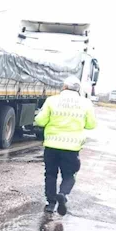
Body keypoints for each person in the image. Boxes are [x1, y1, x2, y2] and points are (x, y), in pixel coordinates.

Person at [33, 76, 97, 215]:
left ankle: (50, 203)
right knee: (69, 175)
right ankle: (62, 193)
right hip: (72, 147)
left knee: (50, 174)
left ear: (64, 87)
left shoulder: (52, 100)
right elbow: (91, 125)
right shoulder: (86, 103)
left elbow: (40, 121)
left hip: (51, 145)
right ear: (78, 89)